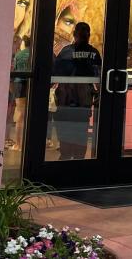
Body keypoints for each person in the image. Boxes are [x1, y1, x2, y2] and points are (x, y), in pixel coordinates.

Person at [51, 22, 102, 160]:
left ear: (74, 34)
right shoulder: (94, 53)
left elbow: (55, 73)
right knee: (81, 131)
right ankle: (79, 162)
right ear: (89, 36)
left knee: (65, 130)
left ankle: (66, 159)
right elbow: (99, 77)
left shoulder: (66, 52)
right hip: (84, 100)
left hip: (65, 98)